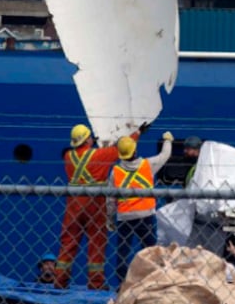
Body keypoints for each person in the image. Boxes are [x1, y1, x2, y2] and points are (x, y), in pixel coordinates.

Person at [54, 122, 148, 290]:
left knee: (69, 241)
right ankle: (96, 283)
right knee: (96, 241)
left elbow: (86, 157)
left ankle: (60, 280)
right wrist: (138, 132)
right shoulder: (99, 155)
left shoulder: (68, 157)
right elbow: (120, 149)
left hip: (74, 204)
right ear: (87, 140)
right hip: (95, 203)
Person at [108, 131, 173, 287]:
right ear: (135, 150)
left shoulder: (115, 172)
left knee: (123, 252)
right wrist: (167, 140)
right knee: (151, 250)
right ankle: (156, 280)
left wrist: (110, 219)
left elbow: (110, 200)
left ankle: (122, 285)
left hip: (125, 218)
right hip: (146, 216)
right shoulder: (148, 165)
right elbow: (165, 155)